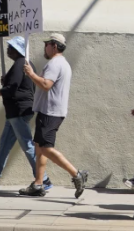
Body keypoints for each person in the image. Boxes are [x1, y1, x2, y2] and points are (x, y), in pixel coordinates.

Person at [0, 36, 51, 192]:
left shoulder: (20, 63)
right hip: (16, 112)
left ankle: (43, 179)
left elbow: (12, 89)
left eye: (10, 47)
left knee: (27, 145)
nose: (8, 49)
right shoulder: (26, 64)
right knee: (4, 145)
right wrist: (5, 83)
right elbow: (17, 86)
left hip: (18, 111)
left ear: (17, 50)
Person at [20, 33, 88, 199]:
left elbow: (46, 84)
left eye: (47, 44)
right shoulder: (61, 63)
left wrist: (31, 74)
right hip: (49, 111)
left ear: (54, 46)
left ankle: (76, 174)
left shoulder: (55, 64)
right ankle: (38, 183)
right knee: (39, 147)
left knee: (45, 148)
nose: (45, 47)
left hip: (51, 111)